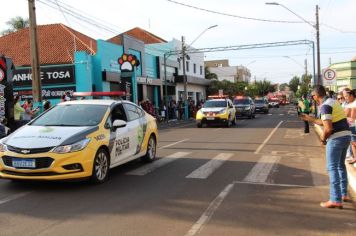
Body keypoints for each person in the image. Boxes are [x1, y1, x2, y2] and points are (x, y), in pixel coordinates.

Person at [301, 85, 351, 208]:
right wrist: (309, 119)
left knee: (332, 167)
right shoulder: (333, 102)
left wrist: (323, 139)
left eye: (312, 96)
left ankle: (335, 199)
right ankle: (343, 194)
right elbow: (325, 122)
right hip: (346, 136)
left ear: (316, 95)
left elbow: (328, 128)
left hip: (336, 139)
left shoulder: (325, 106)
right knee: (340, 166)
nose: (312, 98)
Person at [343, 88, 356, 164]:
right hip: (351, 126)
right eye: (344, 96)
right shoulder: (350, 104)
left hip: (353, 125)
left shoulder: (353, 104)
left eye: (346, 96)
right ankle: (354, 157)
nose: (345, 98)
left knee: (354, 142)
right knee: (353, 142)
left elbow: (351, 117)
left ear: (351, 95)